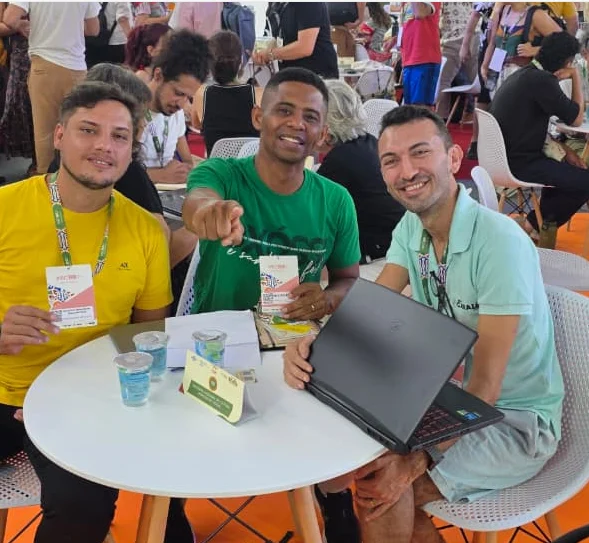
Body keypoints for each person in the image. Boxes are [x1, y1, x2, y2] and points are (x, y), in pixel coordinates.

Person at [284, 105, 563, 543]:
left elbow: (486, 388)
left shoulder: (499, 243)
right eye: (391, 161)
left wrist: (417, 460)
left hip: (513, 422)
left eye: (419, 153)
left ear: (453, 158)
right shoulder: (411, 229)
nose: (407, 171)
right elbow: (370, 315)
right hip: (441, 397)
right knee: (370, 473)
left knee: (382, 487)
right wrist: (312, 344)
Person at [0, 81, 197, 543]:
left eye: (119, 136)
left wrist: (86, 399)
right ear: (59, 135)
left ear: (131, 152)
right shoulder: (6, 208)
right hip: (4, 389)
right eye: (89, 130)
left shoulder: (145, 230)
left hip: (85, 401)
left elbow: (149, 339)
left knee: (82, 509)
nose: (104, 146)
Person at [182, 67, 361, 317]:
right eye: (284, 111)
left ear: (322, 135)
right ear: (258, 117)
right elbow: (198, 200)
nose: (296, 123)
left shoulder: (336, 200)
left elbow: (348, 279)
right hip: (217, 334)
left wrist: (327, 299)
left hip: (293, 335)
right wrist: (210, 211)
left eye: (310, 117)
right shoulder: (222, 174)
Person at [48, 62, 197, 270]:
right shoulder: (128, 175)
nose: (143, 124)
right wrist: (200, 224)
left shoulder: (59, 165)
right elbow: (162, 257)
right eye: (89, 130)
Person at [491, 31, 589, 240]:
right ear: (568, 62)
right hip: (521, 163)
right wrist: (575, 75)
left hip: (503, 157)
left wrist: (565, 151)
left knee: (570, 171)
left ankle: (540, 228)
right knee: (584, 181)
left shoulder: (525, 74)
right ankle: (532, 225)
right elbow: (576, 119)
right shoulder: (542, 81)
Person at [3, 2, 100, 174]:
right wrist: (69, 26)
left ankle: (49, 184)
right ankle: (77, 177)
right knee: (79, 129)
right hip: (77, 68)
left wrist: (23, 25)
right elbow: (93, 29)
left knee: (45, 134)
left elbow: (10, 18)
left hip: (45, 66)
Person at [317, 79, 405, 263]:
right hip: (397, 239)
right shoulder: (369, 141)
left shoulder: (339, 162)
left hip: (378, 254)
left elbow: (310, 214)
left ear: (325, 127)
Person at [141, 29, 209, 185]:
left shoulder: (174, 112)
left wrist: (187, 170)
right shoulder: (130, 112)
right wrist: (159, 175)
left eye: (188, 97)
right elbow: (117, 173)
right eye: (178, 93)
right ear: (158, 75)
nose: (181, 104)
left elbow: (187, 162)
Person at [193, 30, 261, 156]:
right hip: (249, 167)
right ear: (241, 60)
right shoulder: (258, 95)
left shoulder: (201, 94)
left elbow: (197, 125)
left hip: (216, 167)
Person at [481, 2, 561, 94]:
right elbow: (492, 43)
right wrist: (485, 65)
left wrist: (535, 50)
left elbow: (564, 42)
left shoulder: (535, 14)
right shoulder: (502, 10)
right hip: (498, 78)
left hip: (523, 81)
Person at [256, 2, 339, 79]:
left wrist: (270, 54)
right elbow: (272, 37)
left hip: (315, 74)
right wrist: (259, 52)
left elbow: (304, 48)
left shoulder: (308, 4)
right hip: (289, 73)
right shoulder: (275, 5)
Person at [436, 2, 479, 120]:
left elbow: (436, 18)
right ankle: (481, 117)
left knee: (442, 82)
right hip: (474, 34)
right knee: (479, 85)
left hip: (452, 37)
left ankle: (440, 120)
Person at [398, 2, 442, 107]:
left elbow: (420, 13)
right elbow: (406, 24)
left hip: (424, 58)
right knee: (410, 107)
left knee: (420, 108)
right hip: (409, 58)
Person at [86, 1, 134, 67]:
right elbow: (122, 19)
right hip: (117, 42)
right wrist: (132, 39)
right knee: (116, 70)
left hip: (98, 40)